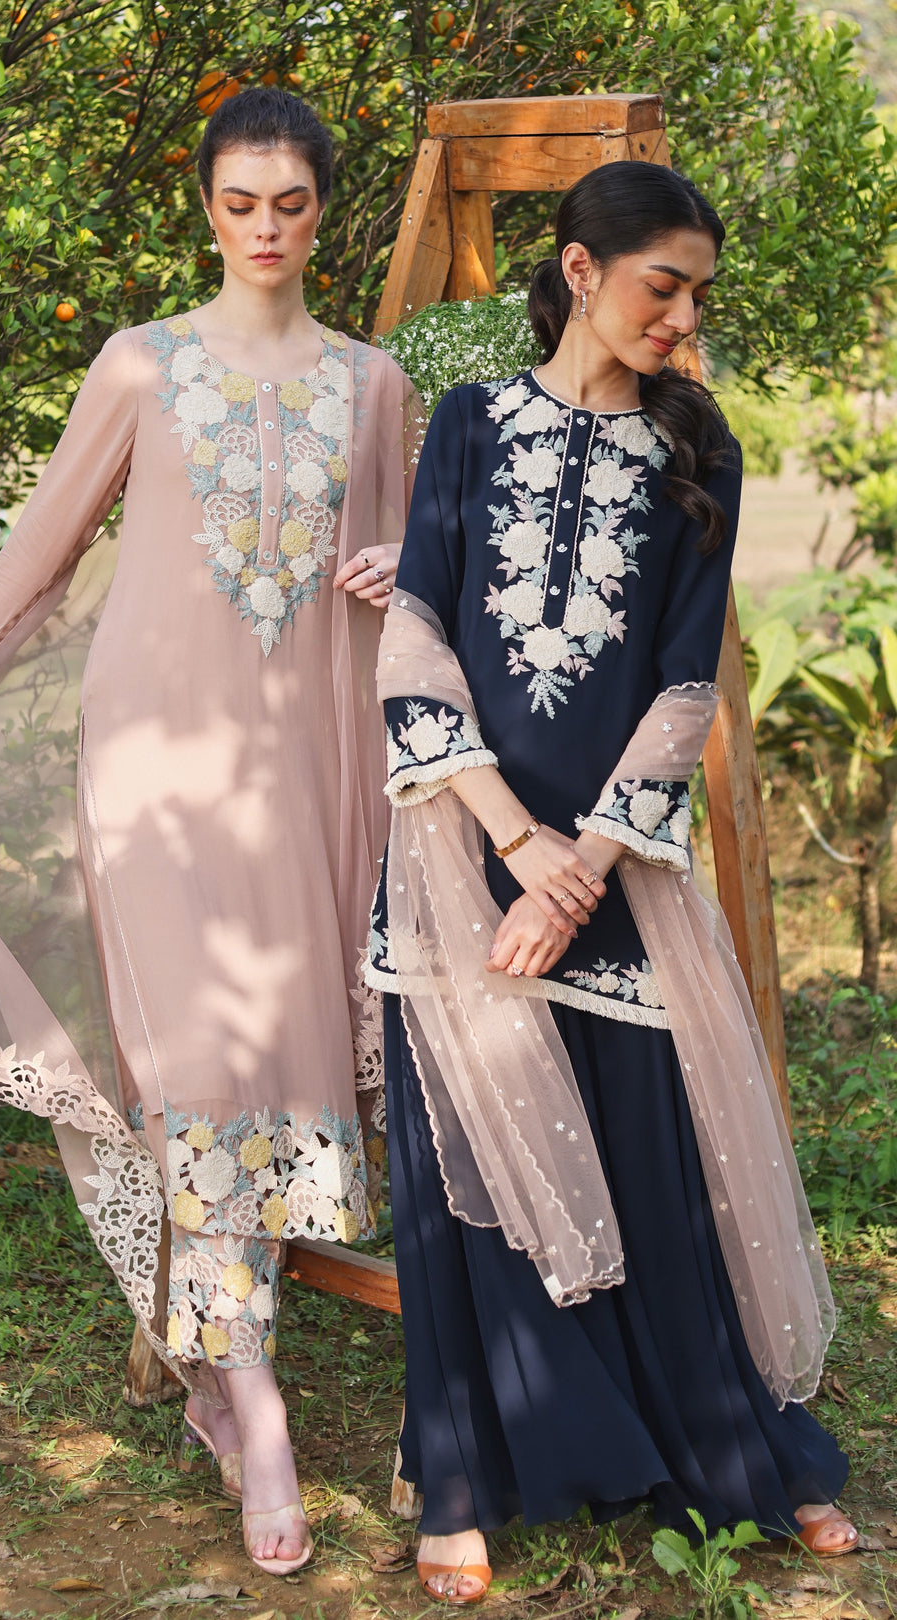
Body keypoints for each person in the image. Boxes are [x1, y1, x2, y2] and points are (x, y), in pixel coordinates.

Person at [0, 88, 419, 1578]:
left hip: (310, 773)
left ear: (324, 210)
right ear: (206, 208)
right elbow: (40, 545)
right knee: (199, 1071)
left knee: (280, 1061)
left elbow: (409, 577)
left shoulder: (372, 385)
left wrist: (402, 566)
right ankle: (262, 1410)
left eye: (290, 205)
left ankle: (217, 1380)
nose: (264, 230)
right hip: (151, 772)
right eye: (240, 204)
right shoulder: (140, 363)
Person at [365, 162, 856, 1604]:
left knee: (651, 1158)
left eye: (699, 291)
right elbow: (415, 638)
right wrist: (514, 843)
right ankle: (460, 1475)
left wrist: (577, 868)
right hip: (463, 849)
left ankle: (726, 1453)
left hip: (616, 865)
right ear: (581, 271)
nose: (685, 315)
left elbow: (685, 687)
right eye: (664, 284)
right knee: (467, 1167)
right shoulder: (469, 425)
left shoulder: (700, 451)